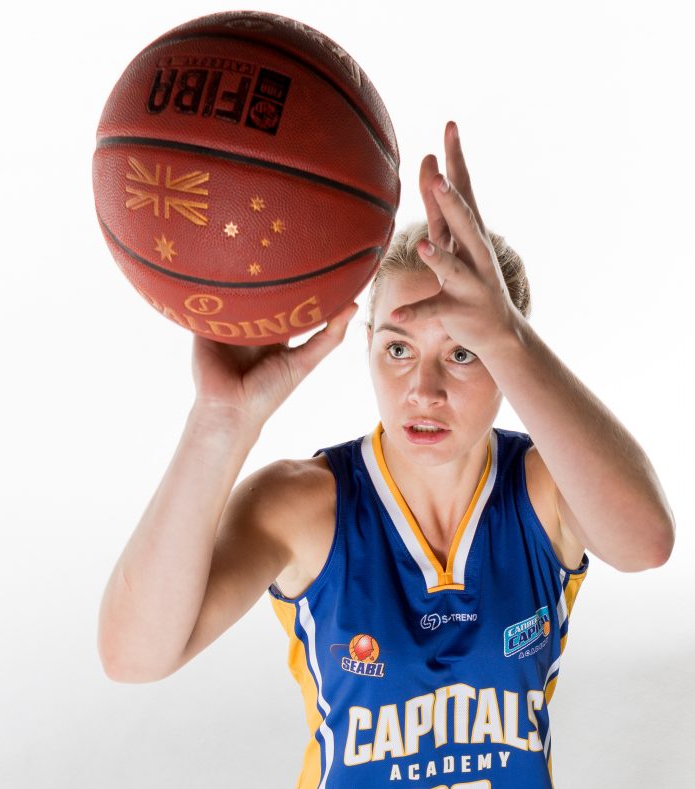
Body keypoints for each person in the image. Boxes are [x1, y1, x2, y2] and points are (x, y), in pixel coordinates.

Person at [98, 121, 675, 788]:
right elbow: (131, 656)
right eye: (398, 349)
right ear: (367, 343)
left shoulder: (545, 488)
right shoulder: (307, 503)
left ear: (508, 355)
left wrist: (509, 337)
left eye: (463, 351)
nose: (422, 390)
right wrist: (219, 421)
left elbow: (647, 541)